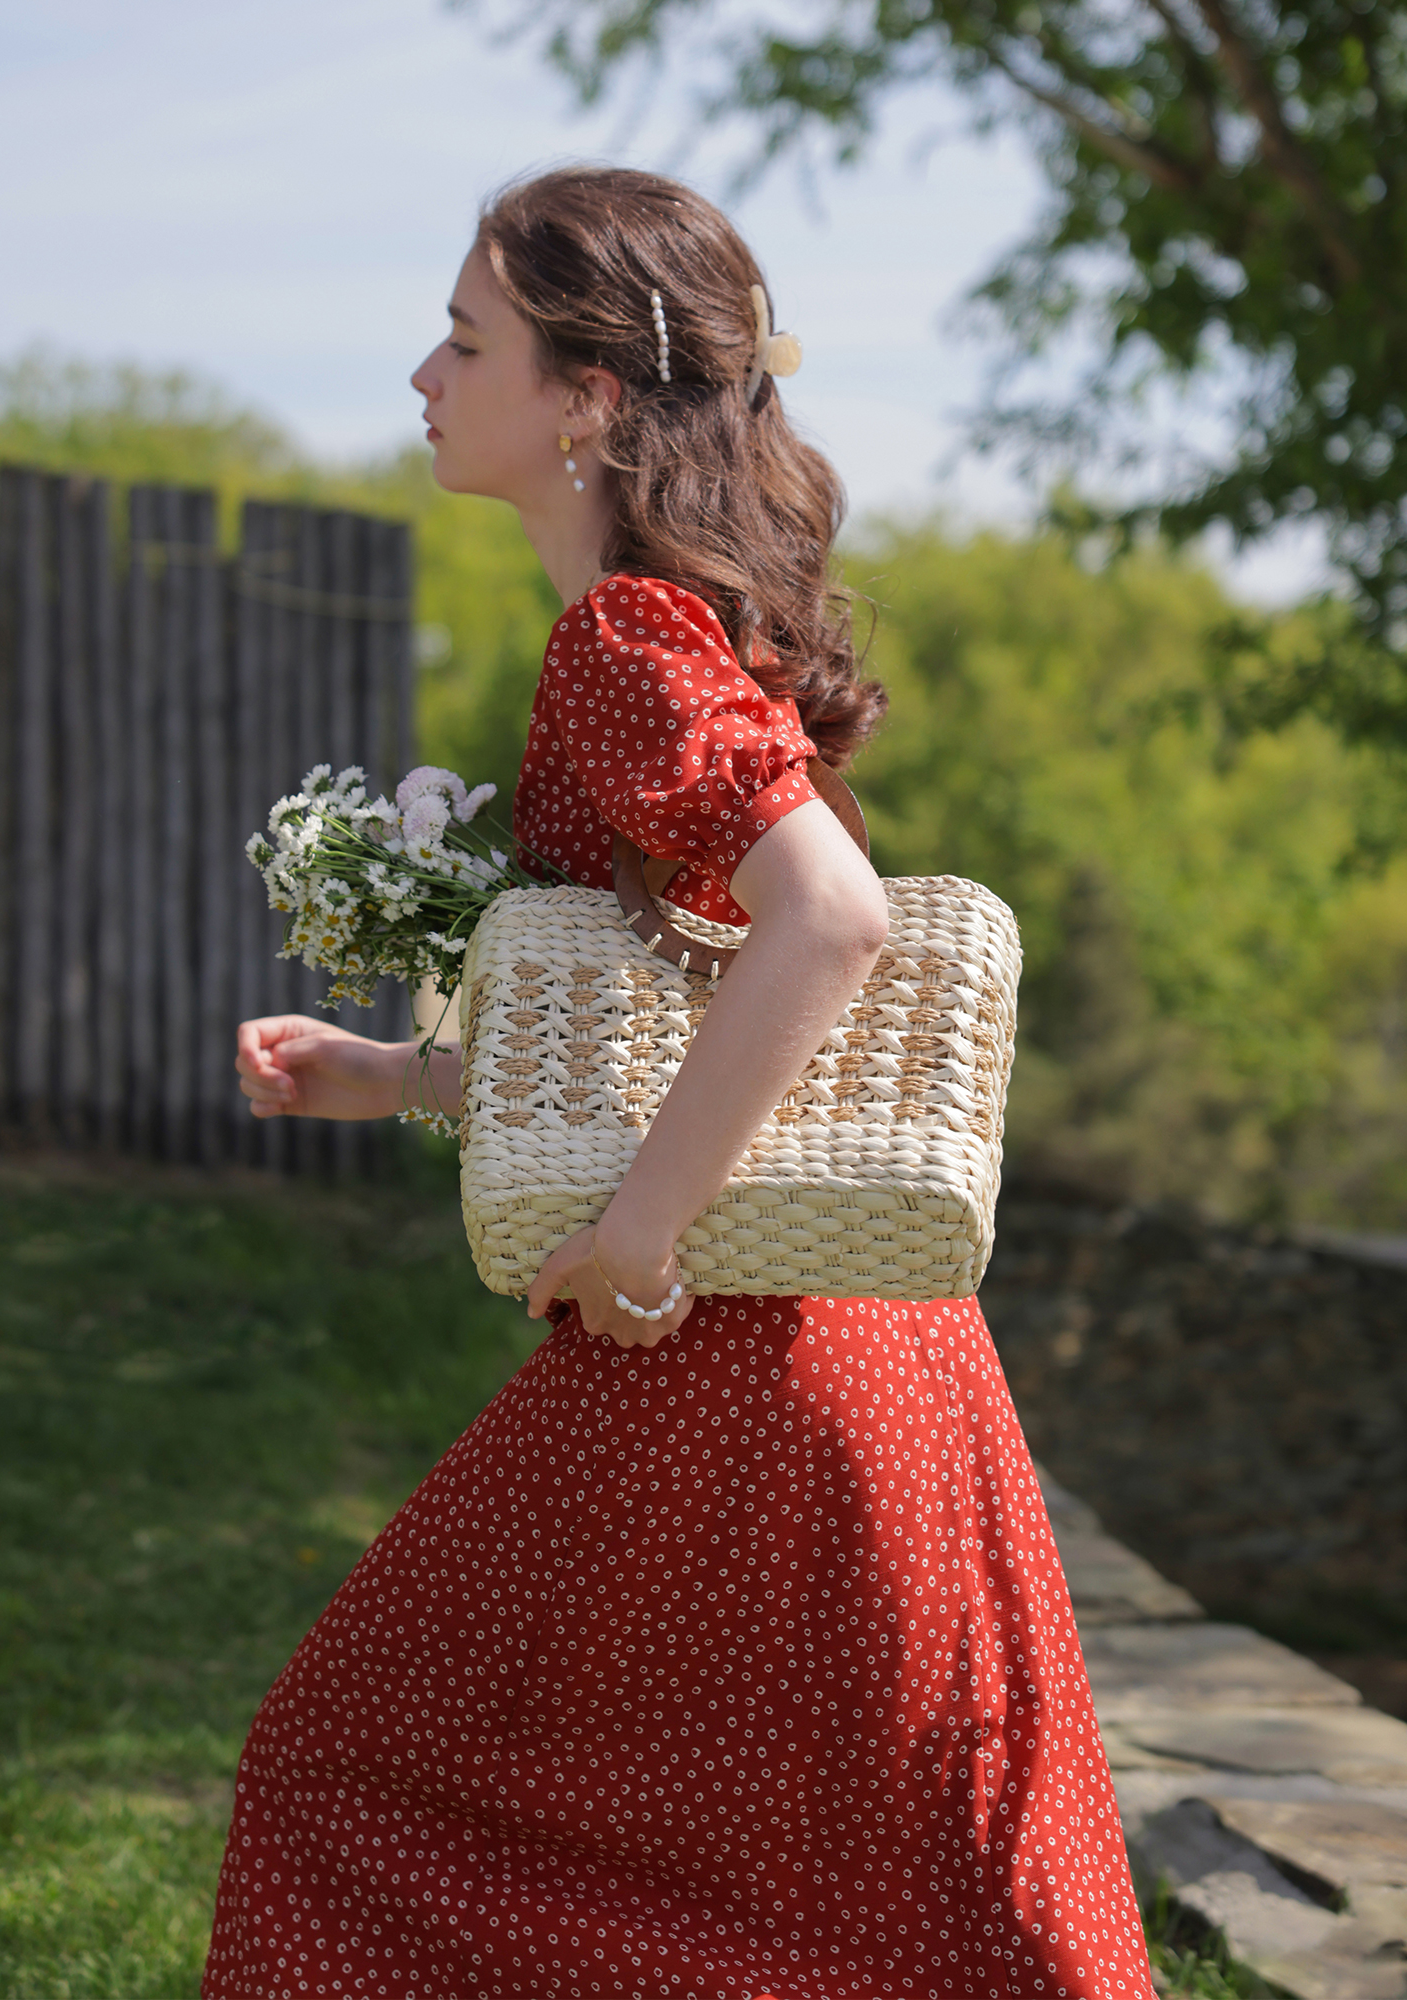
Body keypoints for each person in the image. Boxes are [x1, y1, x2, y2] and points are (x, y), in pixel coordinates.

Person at [204, 166, 1153, 2000]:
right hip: (858, 1354)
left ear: (584, 398)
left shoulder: (627, 637)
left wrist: (641, 1235)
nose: (422, 375)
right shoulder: (672, 630)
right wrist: (402, 1077)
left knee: (355, 1782)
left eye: (463, 341)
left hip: (734, 1348)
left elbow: (831, 926)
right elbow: (686, 1003)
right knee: (836, 1894)